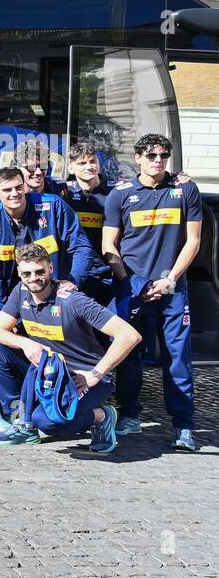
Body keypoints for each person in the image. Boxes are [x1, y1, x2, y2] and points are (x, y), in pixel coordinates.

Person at [0, 243, 141, 452]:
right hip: (48, 372)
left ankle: (102, 415)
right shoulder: (20, 292)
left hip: (82, 377)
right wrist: (26, 343)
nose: (33, 278)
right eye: (27, 273)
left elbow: (129, 336)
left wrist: (96, 374)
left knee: (48, 423)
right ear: (19, 273)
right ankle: (22, 422)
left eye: (40, 272)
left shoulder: (73, 300)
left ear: (50, 268)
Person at [0, 165, 97, 432]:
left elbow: (81, 247)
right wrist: (2, 312)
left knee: (63, 351)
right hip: (14, 301)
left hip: (55, 298)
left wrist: (72, 283)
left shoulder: (53, 206)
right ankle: (6, 411)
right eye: (7, 189)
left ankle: (74, 399)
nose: (14, 193)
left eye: (19, 187)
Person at [102, 133, 203, 451]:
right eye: (151, 155)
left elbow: (193, 241)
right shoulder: (121, 194)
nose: (158, 160)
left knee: (177, 359)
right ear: (138, 158)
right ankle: (129, 414)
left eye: (163, 155)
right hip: (134, 289)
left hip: (173, 289)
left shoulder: (185, 189)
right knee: (128, 354)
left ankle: (183, 426)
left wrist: (171, 279)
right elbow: (108, 245)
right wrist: (130, 284)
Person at [64, 142, 118, 308]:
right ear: (70, 168)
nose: (89, 167)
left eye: (92, 161)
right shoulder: (63, 192)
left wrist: (173, 177)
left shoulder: (116, 191)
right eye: (82, 163)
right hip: (77, 273)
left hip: (111, 271)